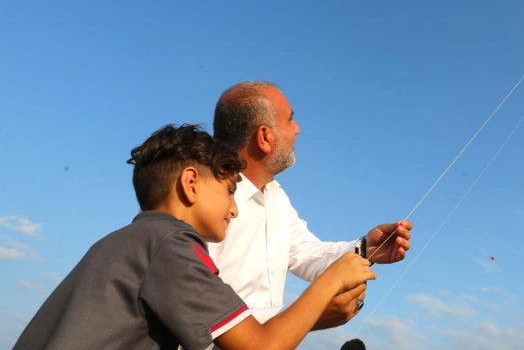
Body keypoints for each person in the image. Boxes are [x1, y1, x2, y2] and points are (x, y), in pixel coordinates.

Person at [14, 125, 375, 350]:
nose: (234, 210)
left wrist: (315, 316)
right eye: (230, 191)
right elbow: (259, 347)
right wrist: (331, 281)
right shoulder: (172, 244)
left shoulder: (130, 241)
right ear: (190, 184)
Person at [208, 81, 413, 327]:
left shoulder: (276, 197)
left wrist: (366, 248)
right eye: (289, 120)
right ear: (264, 137)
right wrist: (311, 313)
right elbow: (203, 310)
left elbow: (306, 252)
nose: (298, 129)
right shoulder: (206, 200)